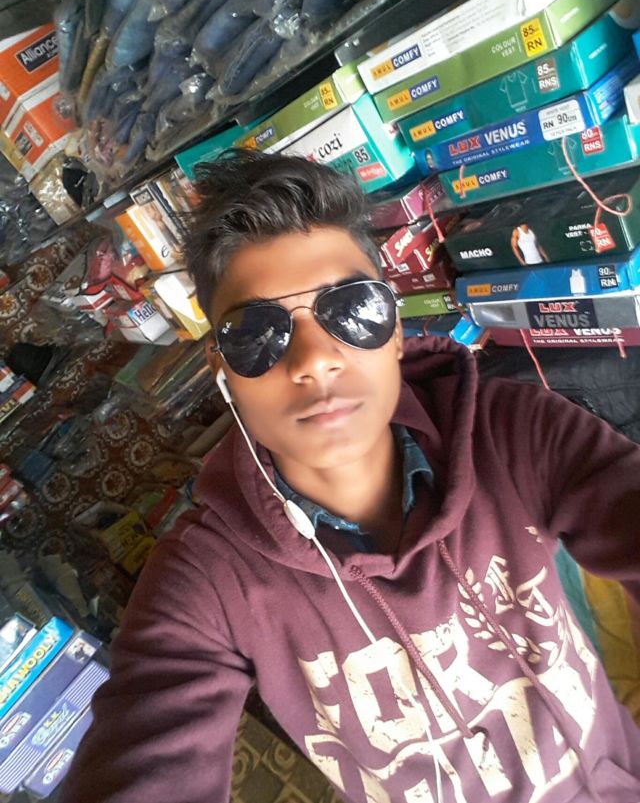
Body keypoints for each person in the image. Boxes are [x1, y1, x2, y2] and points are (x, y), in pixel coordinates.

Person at [61, 150, 640, 803]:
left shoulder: (514, 432)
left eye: (351, 308)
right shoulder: (208, 583)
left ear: (394, 331)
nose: (315, 359)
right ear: (223, 373)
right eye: (258, 332)